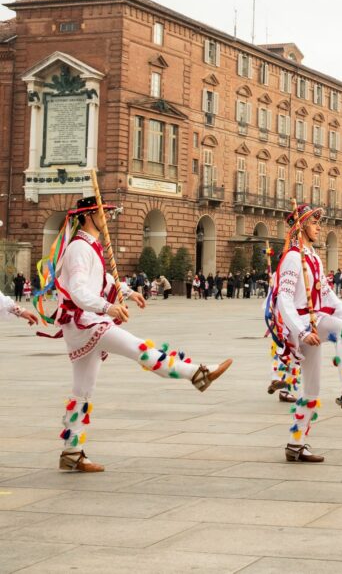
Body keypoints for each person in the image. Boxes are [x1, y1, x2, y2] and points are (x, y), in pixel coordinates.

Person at [35, 197, 232, 472]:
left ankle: (72, 452)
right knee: (140, 349)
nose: (108, 219)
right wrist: (108, 307)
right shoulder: (80, 248)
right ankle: (197, 374)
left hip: (87, 322)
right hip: (87, 322)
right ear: (90, 215)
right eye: (104, 214)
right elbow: (79, 290)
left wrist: (128, 292)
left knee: (82, 390)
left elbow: (102, 280)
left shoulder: (89, 246)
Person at [268, 202, 342, 462]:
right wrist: (302, 330)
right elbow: (283, 299)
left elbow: (326, 292)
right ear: (302, 225)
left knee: (312, 390)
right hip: (303, 325)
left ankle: (296, 444)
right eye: (315, 223)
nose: (319, 227)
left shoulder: (313, 257)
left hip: (315, 321)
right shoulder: (293, 257)